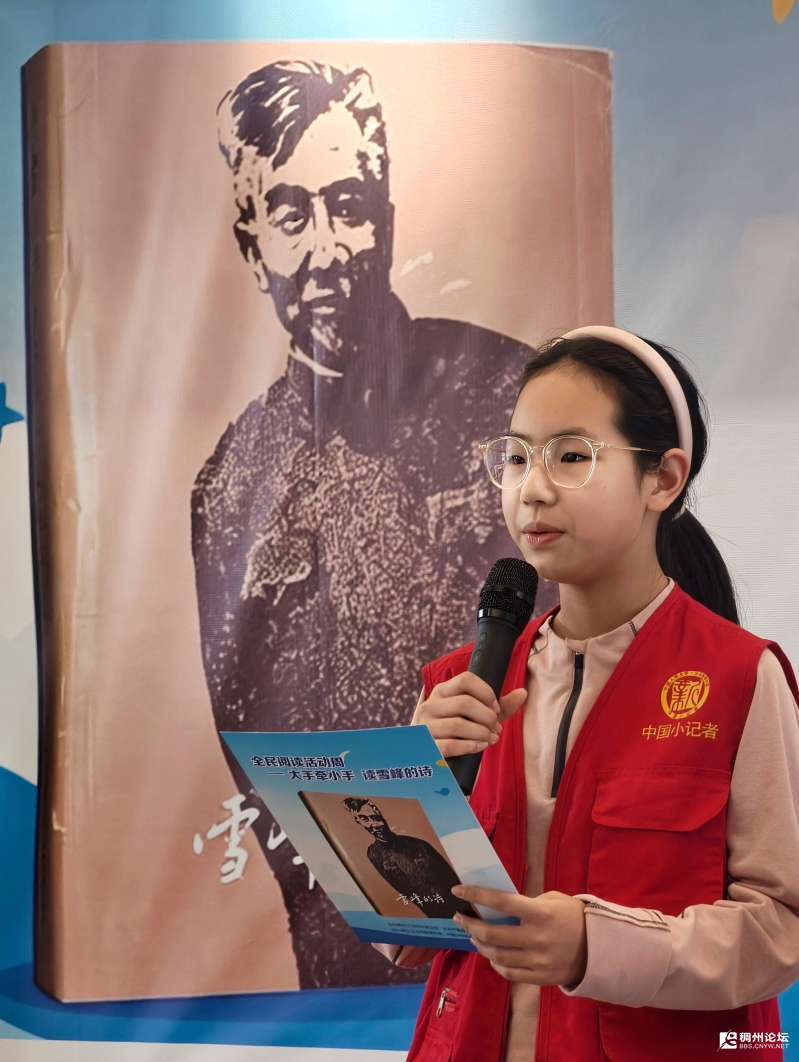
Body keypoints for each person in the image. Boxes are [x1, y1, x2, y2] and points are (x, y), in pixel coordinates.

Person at [191, 59, 545, 990]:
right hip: (359, 950)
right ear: (251, 245)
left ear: (384, 218)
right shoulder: (233, 482)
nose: (326, 250)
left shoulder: (511, 394)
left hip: (549, 911)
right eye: (290, 216)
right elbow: (260, 755)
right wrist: (385, 913)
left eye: (347, 206)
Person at [374, 325, 799, 1060]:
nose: (531, 489)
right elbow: (404, 939)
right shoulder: (456, 684)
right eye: (515, 458)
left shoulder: (740, 677)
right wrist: (411, 789)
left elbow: (781, 927)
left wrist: (595, 946)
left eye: (570, 456)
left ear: (662, 479)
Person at [343, 798, 470, 918]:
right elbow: (402, 889)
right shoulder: (373, 853)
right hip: (432, 913)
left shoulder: (419, 845)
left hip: (460, 908)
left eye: (375, 818)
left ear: (381, 816)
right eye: (364, 819)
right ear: (358, 822)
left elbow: (451, 880)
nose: (374, 824)